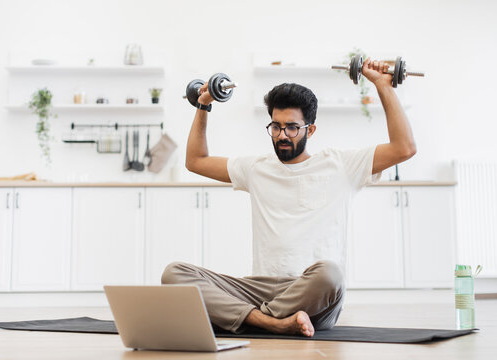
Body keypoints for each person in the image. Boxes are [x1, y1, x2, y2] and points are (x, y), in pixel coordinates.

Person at [162, 59, 416, 337]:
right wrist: (203, 105)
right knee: (174, 274)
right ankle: (274, 322)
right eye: (276, 126)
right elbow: (196, 161)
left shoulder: (341, 164)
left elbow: (404, 147)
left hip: (315, 293)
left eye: (292, 127)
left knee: (330, 274)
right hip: (260, 289)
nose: (283, 135)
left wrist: (382, 86)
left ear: (311, 129)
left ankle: (253, 319)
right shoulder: (256, 168)